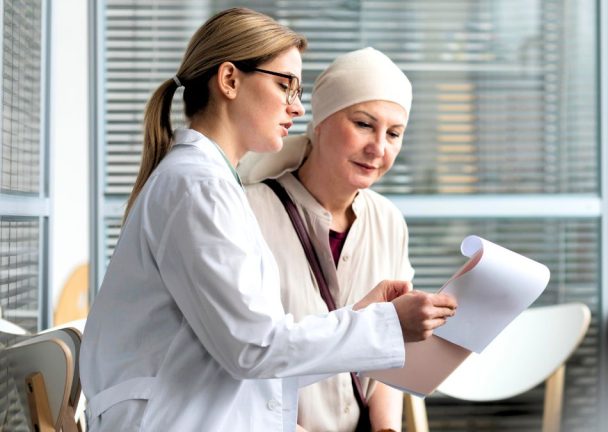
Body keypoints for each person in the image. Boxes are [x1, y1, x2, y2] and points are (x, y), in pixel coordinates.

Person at [80, 8, 457, 432]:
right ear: (229, 80)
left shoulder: (208, 184)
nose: (296, 108)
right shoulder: (200, 189)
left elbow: (256, 355)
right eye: (284, 86)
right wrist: (385, 325)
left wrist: (365, 317)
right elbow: (255, 350)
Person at [238, 47, 418, 432]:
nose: (379, 148)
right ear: (319, 121)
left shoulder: (388, 221)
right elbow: (241, 363)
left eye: (394, 133)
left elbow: (390, 348)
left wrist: (386, 427)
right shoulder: (248, 213)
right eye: (364, 124)